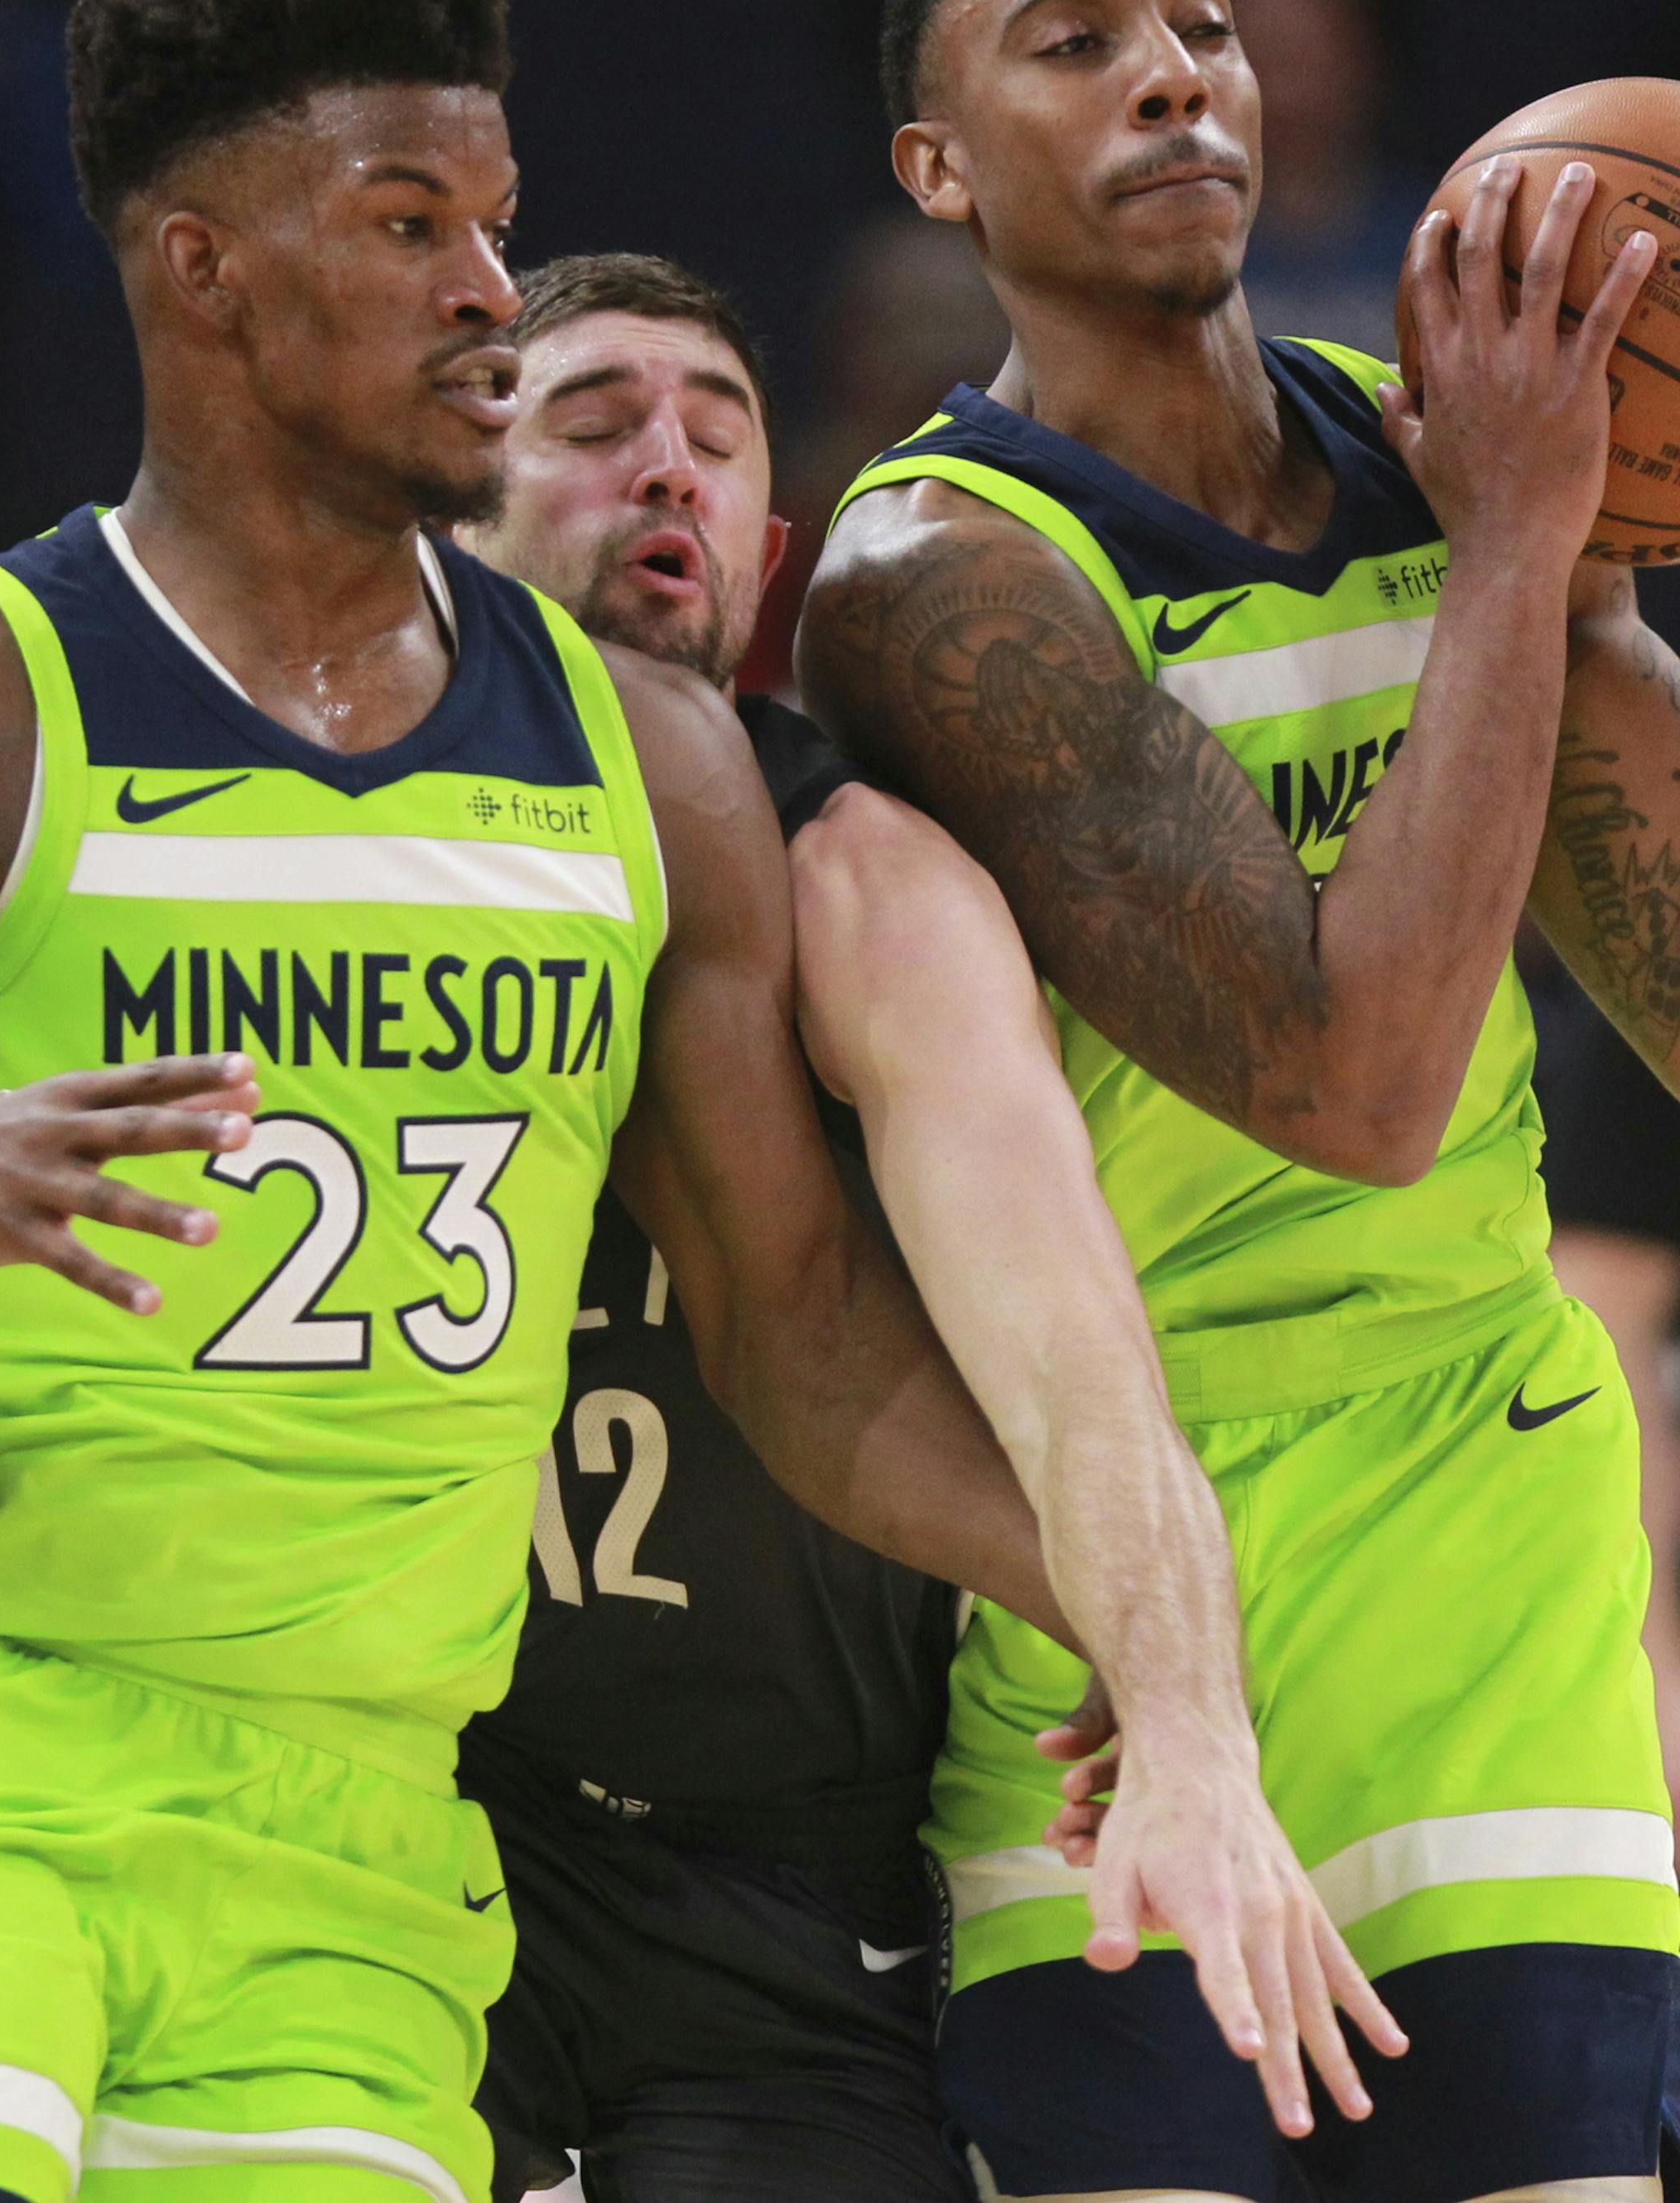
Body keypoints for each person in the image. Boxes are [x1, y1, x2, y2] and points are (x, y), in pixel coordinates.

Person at [0, 0, 1090, 2203]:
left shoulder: (643, 760)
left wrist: (1122, 1609)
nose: (484, 287)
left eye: (495, 220)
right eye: (409, 224)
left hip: (364, 1837)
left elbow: (803, 1339)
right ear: (208, 274)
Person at [799, 0, 1673, 2203]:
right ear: (938, 166)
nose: (1174, 71)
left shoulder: (1453, 451)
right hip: (1122, 1546)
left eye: (1203, 23)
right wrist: (1510, 557)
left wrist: (1585, 560)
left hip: (1487, 1501)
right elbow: (1352, 1088)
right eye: (1075, 41)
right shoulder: (937, 574)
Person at [461, 247, 1398, 2198]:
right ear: (457, 487)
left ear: (771, 535)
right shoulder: (326, 844)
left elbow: (1069, 1347)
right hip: (437, 1812)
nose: (668, 470)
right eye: (597, 422)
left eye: (715, 436)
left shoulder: (865, 873)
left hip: (792, 1869)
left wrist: (1174, 1680)